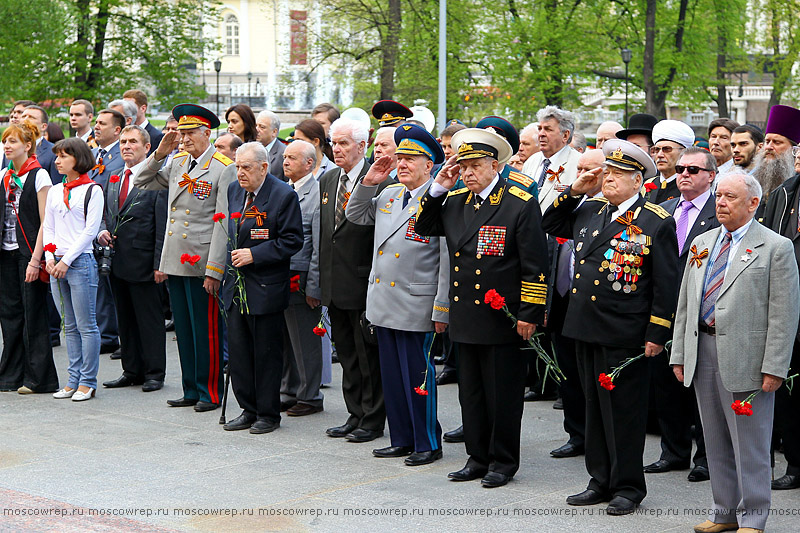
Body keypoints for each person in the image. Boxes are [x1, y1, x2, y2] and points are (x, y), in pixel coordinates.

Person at [542, 139, 680, 514]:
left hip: (625, 331)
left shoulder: (655, 220)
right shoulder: (591, 209)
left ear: (639, 181)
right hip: (584, 325)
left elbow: (666, 284)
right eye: (608, 172)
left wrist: (657, 333)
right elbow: (549, 223)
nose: (609, 179)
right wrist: (574, 190)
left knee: (624, 412)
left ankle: (628, 486)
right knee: (593, 407)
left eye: (619, 174)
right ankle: (599, 478)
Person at [415, 128, 549, 488]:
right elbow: (423, 227)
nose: (468, 172)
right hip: (466, 316)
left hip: (502, 318)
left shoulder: (518, 202)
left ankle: (503, 461)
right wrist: (439, 186)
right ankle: (477, 457)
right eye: (464, 166)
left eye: (475, 165)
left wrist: (529, 313)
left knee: (502, 395)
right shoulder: (456, 199)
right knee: (470, 392)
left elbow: (535, 264)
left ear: (495, 166)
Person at [671, 172, 799, 533]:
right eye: (718, 196)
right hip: (704, 349)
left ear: (753, 203)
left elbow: (784, 313)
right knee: (714, 440)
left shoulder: (775, 247)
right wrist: (679, 353)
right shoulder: (703, 241)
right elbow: (686, 302)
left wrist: (776, 365)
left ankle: (753, 517)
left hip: (749, 357)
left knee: (752, 445)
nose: (720, 203)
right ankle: (724, 511)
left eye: (729, 197)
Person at [346, 124, 449, 466]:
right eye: (399, 158)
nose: (401, 164)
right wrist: (370, 181)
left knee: (418, 378)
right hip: (384, 302)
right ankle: (402, 437)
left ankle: (428, 441)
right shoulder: (389, 194)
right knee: (392, 377)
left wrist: (442, 308)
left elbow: (446, 261)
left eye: (410, 159)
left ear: (429, 164)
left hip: (416, 302)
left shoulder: (439, 201)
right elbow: (355, 214)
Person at [134, 103, 236, 412]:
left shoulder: (222, 166)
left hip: (203, 256)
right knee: (185, 328)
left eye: (190, 133)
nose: (184, 138)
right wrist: (160, 153)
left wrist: (215, 269)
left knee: (206, 330)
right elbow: (142, 180)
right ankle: (191, 388)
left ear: (207, 133)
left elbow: (222, 221)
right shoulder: (177, 161)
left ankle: (210, 391)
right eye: (181, 133)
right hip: (178, 255)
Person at [646, 147, 720, 483]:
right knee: (666, 385)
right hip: (665, 311)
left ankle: (706, 457)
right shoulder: (663, 211)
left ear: (711, 176)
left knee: (701, 388)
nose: (684, 175)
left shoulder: (720, 214)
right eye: (680, 169)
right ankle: (673, 452)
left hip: (702, 313)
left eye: (693, 169)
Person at [319, 117, 392, 443]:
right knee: (347, 354)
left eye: (344, 143)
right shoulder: (329, 178)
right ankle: (355, 413)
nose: (337, 149)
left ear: (363, 146)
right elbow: (325, 236)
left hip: (364, 283)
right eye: (334, 143)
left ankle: (373, 418)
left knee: (368, 357)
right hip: (334, 283)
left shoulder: (379, 181)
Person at [221, 142, 303, 434]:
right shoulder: (234, 191)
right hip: (236, 286)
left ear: (264, 168)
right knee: (240, 353)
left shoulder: (282, 195)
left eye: (246, 168)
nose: (240, 173)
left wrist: (255, 254)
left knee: (266, 354)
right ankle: (248, 408)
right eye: (237, 166)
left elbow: (292, 240)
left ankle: (268, 413)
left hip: (266, 286)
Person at [97, 126, 167, 393]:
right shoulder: (115, 177)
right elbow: (107, 213)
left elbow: (162, 225)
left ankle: (154, 372)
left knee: (148, 320)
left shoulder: (157, 180)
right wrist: (103, 231)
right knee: (125, 318)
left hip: (145, 261)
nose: (126, 146)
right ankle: (132, 369)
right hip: (117, 261)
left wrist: (160, 263)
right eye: (123, 141)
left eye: (133, 142)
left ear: (147, 147)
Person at [548, 148, 606, 459]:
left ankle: (595, 435)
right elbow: (550, 222)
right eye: (578, 168)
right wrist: (572, 192)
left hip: (591, 302)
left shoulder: (609, 208)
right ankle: (576, 434)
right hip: (561, 297)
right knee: (567, 371)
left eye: (590, 169)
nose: (582, 174)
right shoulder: (575, 202)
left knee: (589, 375)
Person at [0, 121, 59, 394]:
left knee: (33, 314)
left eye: (12, 142)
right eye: (5, 141)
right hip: (6, 253)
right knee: (9, 315)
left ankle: (38, 378)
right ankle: (11, 375)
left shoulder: (40, 176)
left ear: (27, 145)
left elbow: (45, 221)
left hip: (28, 254)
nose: (7, 146)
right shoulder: (4, 175)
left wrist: (36, 260)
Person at [44, 138, 104, 402]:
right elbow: (49, 226)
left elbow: (90, 231)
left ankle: (87, 382)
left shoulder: (93, 190)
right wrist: (49, 255)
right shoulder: (57, 190)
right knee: (68, 325)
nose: (57, 160)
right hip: (56, 262)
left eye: (63, 156)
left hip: (80, 263)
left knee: (86, 325)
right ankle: (72, 379)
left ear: (78, 159)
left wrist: (66, 260)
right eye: (57, 156)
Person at [761, 138, 800, 492]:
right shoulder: (785, 192)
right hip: (790, 304)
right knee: (789, 390)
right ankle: (795, 463)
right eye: (799, 152)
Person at [279, 139, 324, 417]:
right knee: (286, 338)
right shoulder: (285, 190)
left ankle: (310, 395)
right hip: (281, 275)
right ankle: (290, 390)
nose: (285, 162)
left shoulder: (317, 194)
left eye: (292, 158)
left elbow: (317, 245)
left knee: (305, 340)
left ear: (309, 163)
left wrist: (314, 285)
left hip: (303, 276)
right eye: (284, 157)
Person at [89, 108, 125, 355]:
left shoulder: (120, 158)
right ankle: (105, 332)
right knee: (100, 286)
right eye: (96, 122)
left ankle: (112, 334)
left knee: (112, 287)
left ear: (117, 130)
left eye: (102, 123)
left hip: (112, 230)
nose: (96, 126)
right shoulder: (93, 154)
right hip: (93, 228)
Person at [522, 105, 581, 210]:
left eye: (548, 129)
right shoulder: (531, 161)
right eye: (540, 129)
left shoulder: (578, 163)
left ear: (565, 135)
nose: (541, 134)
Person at [753, 105, 800, 200]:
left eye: (777, 142)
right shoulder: (753, 179)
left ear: (793, 148)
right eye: (767, 141)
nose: (769, 147)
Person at [644, 119, 695, 204]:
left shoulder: (690, 185)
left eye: (667, 149)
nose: (660, 155)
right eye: (657, 149)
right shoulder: (649, 183)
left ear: (684, 152)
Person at [17, 106, 59, 185]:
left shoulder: (53, 152)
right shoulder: (11, 150)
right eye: (23, 116)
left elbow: (56, 186)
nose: (25, 119)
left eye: (31, 117)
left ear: (43, 126)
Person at [123, 89, 164, 154]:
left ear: (143, 108)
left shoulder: (156, 136)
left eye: (130, 107)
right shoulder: (122, 133)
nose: (126, 111)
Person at [256, 110, 286, 181]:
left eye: (262, 127)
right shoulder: (251, 148)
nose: (256, 129)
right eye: (256, 125)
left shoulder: (284, 153)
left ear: (274, 132)